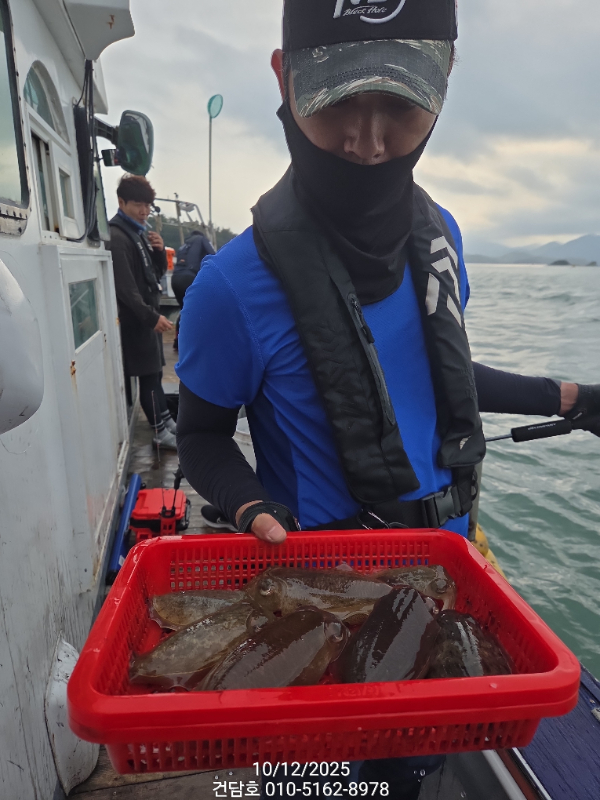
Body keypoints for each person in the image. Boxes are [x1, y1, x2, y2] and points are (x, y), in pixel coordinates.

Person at [176, 1, 600, 796]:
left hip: (439, 585)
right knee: (317, 784)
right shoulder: (229, 288)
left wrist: (570, 395)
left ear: (445, 83)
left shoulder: (442, 237)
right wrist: (248, 504)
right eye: (338, 99)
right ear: (285, 78)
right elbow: (198, 435)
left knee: (407, 778)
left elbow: (434, 376)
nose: (367, 143)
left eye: (401, 104)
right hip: (318, 605)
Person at [109, 175, 178, 450]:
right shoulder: (118, 237)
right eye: (138, 204)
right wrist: (151, 318)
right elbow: (126, 289)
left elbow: (155, 275)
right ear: (121, 202)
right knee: (148, 376)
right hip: (136, 321)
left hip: (147, 317)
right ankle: (159, 431)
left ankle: (166, 421)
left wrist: (159, 252)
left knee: (156, 373)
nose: (144, 211)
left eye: (147, 205)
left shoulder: (138, 233)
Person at [171, 227, 215, 351]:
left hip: (175, 279)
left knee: (184, 309)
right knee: (199, 309)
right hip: (189, 278)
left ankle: (178, 341)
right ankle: (198, 342)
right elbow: (214, 256)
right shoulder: (202, 239)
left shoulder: (184, 245)